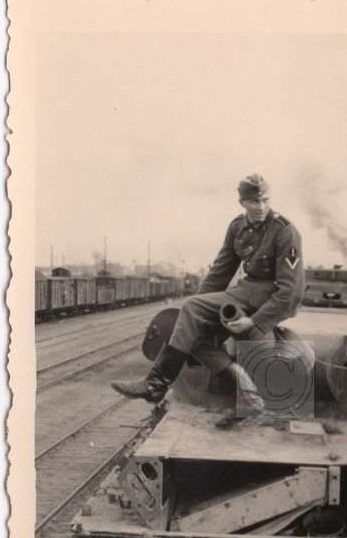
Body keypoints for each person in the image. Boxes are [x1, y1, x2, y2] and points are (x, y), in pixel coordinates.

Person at [111, 174, 305, 416]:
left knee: (192, 317)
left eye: (265, 200)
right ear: (242, 203)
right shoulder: (237, 228)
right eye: (254, 202)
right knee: (194, 327)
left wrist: (254, 321)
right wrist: (197, 316)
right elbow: (218, 274)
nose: (261, 207)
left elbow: (292, 292)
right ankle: (244, 392)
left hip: (269, 299)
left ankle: (156, 384)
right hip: (245, 293)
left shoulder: (284, 231)